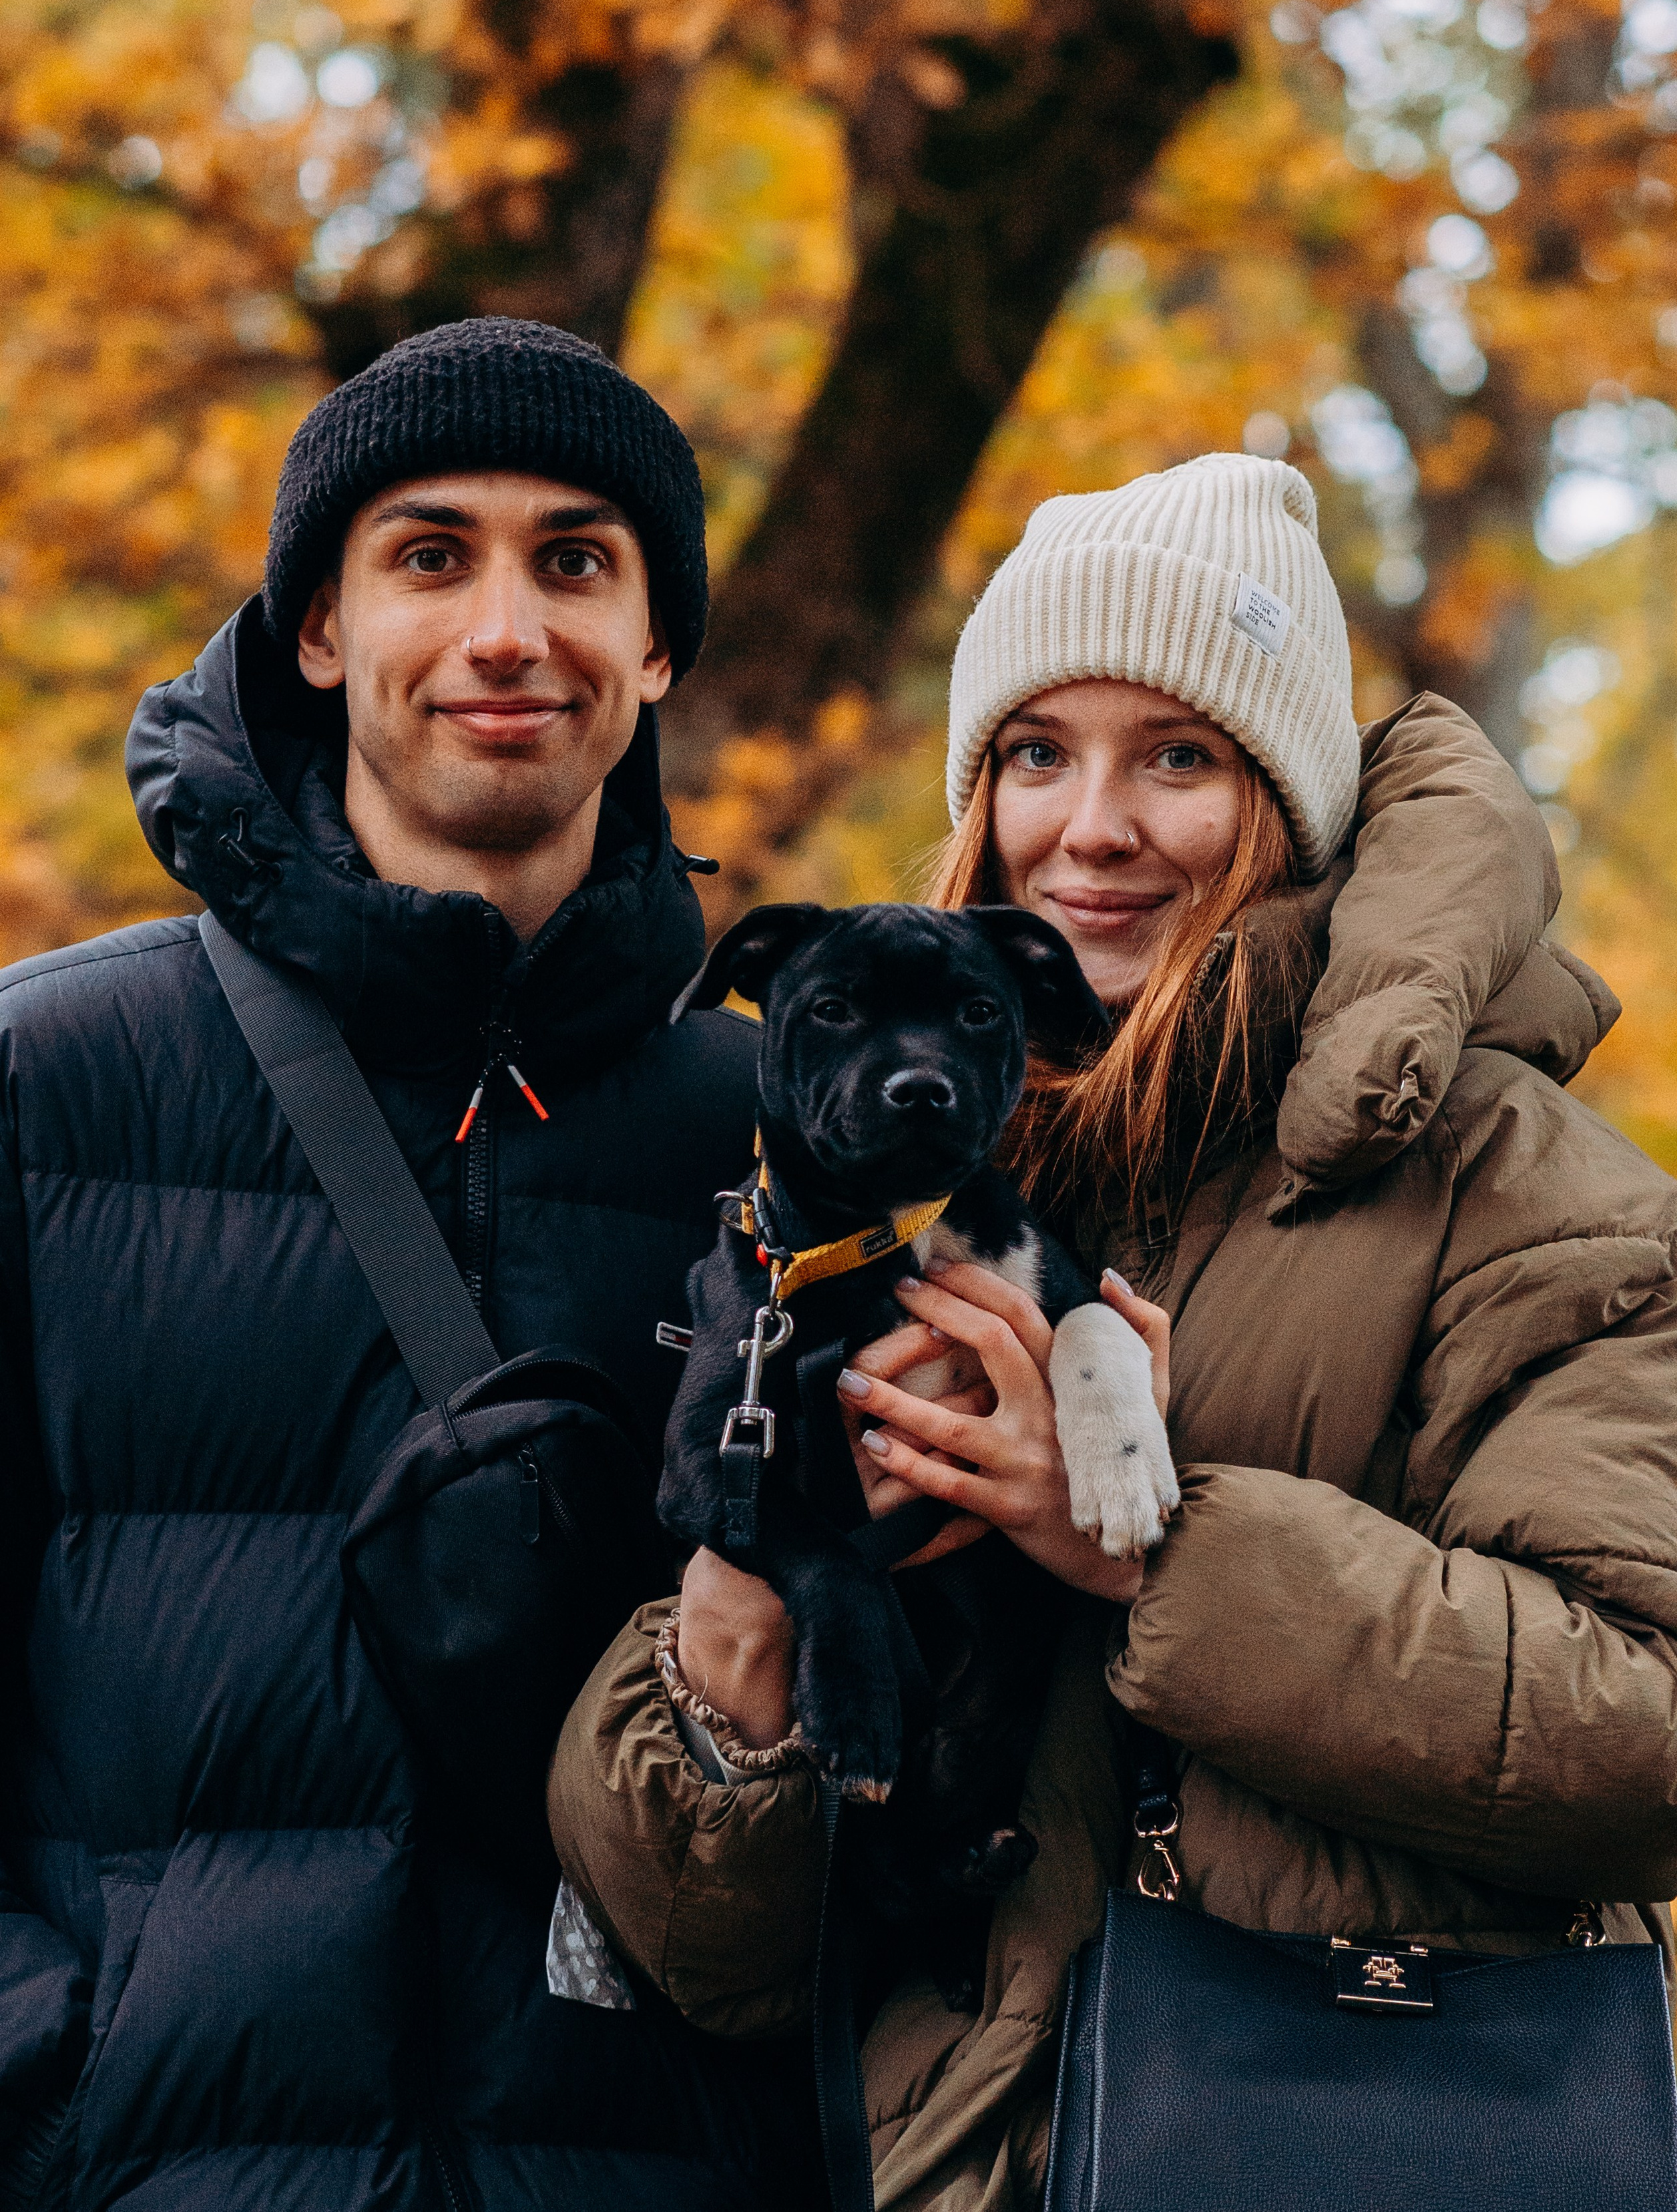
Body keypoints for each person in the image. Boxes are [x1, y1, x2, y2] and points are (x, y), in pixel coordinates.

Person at [547, 452, 1677, 2211]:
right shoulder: (887, 1173)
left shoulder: (1523, 1192)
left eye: (1179, 757)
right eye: (1034, 752)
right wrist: (737, 1629)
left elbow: (1650, 1736)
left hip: (1358, 2135)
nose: (1093, 826)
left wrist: (1152, 1550)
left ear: (1288, 807)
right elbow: (713, 1956)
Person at [0, 320, 773, 2212]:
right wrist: (41, 2085)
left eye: (577, 561)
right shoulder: (36, 1086)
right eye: (431, 555)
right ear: (319, 631)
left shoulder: (787, 1134)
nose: (508, 629)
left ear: (655, 649)